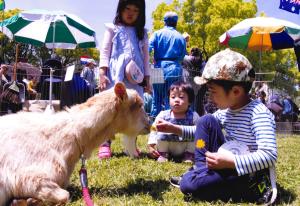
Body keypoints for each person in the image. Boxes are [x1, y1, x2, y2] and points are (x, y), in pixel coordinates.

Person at [154, 49, 277, 204]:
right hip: (223, 163)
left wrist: (231, 162)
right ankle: (201, 168)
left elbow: (269, 155)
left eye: (213, 92)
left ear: (236, 91)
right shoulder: (226, 111)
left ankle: (203, 178)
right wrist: (174, 129)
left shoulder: (258, 114)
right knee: (205, 121)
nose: (210, 97)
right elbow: (199, 131)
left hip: (245, 173)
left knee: (188, 185)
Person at [98, 0, 150, 159]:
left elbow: (146, 57)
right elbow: (105, 51)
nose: (130, 13)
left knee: (134, 110)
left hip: (135, 77)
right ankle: (105, 142)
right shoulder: (112, 29)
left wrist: (147, 78)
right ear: (120, 9)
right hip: (115, 77)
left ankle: (130, 145)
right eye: (127, 8)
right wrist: (102, 72)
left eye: (135, 10)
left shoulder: (142, 33)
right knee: (110, 109)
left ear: (140, 14)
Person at [148, 80, 200, 163]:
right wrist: (151, 145)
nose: (176, 100)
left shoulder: (194, 116)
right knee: (160, 130)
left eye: (181, 97)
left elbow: (201, 134)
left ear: (190, 101)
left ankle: (189, 156)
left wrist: (201, 149)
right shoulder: (163, 115)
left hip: (186, 148)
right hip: (167, 147)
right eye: (173, 97)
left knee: (195, 133)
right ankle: (163, 154)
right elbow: (154, 129)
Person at [149, 11, 186, 117]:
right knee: (172, 97)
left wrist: (151, 60)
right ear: (176, 22)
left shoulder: (157, 33)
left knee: (156, 98)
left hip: (157, 67)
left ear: (164, 22)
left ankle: (155, 124)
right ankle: (170, 123)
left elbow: (147, 48)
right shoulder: (180, 37)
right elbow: (183, 55)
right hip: (174, 68)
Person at [182, 47, 206, 116]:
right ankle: (196, 117)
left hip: (187, 84)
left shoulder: (186, 59)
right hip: (197, 86)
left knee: (188, 102)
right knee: (196, 103)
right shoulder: (202, 62)